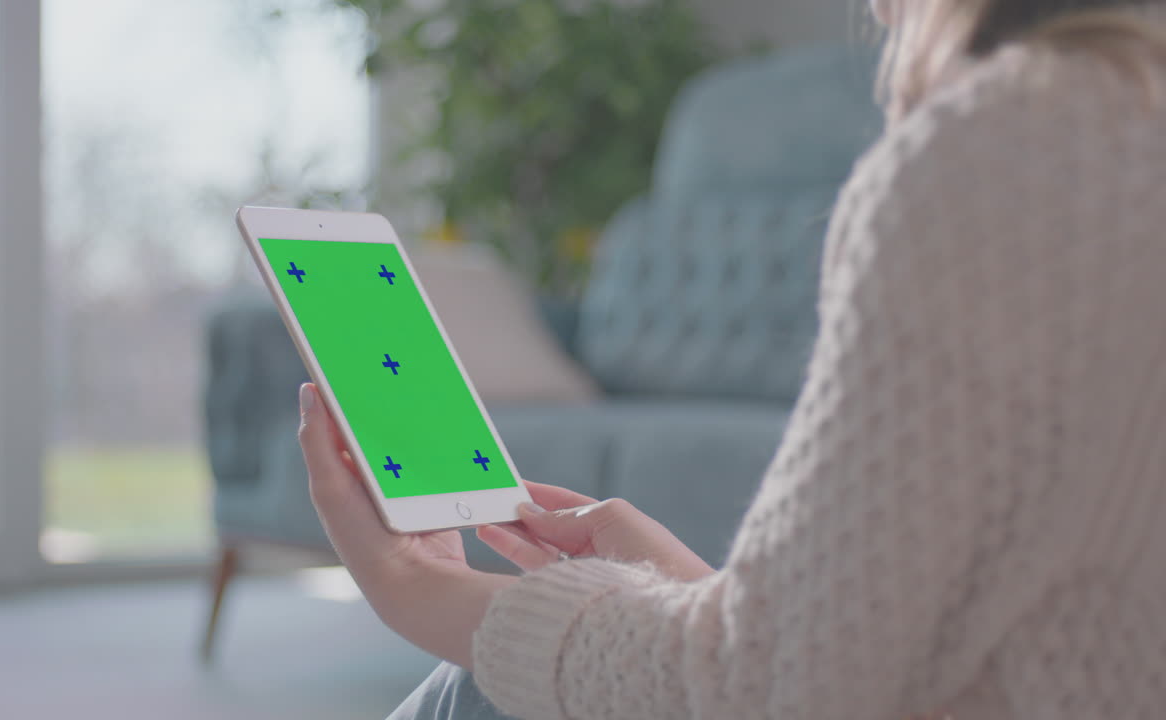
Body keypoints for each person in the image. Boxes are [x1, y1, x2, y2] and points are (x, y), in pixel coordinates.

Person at [297, 0, 1166, 717]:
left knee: (479, 692)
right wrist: (699, 593)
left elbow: (771, 692)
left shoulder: (1002, 150)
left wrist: (416, 588)